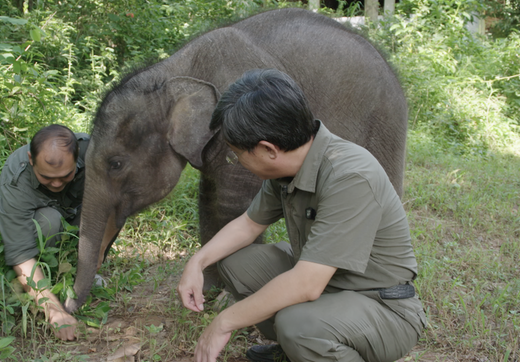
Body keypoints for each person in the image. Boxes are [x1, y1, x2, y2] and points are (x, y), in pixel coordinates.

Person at [177, 69, 427, 362]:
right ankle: (299, 349)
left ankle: (312, 341)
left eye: (236, 154)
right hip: (330, 288)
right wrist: (198, 261)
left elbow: (307, 284)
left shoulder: (350, 175)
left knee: (297, 326)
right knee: (236, 262)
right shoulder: (288, 167)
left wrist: (223, 322)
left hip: (382, 307)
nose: (238, 163)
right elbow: (248, 225)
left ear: (268, 149)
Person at [0, 124, 89, 340]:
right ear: (31, 160)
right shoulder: (16, 179)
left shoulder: (92, 152)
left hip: (76, 213)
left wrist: (97, 256)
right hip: (43, 223)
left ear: (77, 159)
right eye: (46, 177)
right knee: (49, 219)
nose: (56, 183)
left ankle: (84, 269)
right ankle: (48, 277)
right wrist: (53, 309)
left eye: (66, 176)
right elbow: (21, 254)